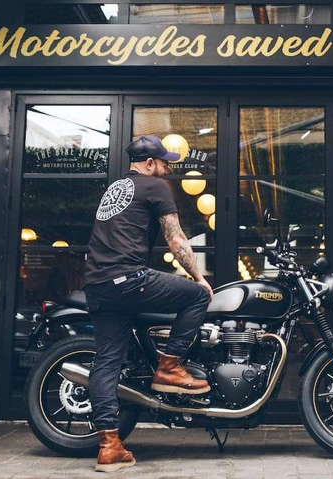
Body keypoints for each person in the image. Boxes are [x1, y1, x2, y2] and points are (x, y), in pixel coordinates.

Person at [83, 136, 213, 472]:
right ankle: (169, 368)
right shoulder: (155, 186)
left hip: (98, 284)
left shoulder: (116, 188)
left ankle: (109, 447)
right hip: (128, 278)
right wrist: (199, 278)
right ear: (151, 163)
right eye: (165, 162)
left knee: (108, 362)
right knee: (196, 296)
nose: (168, 168)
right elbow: (175, 237)